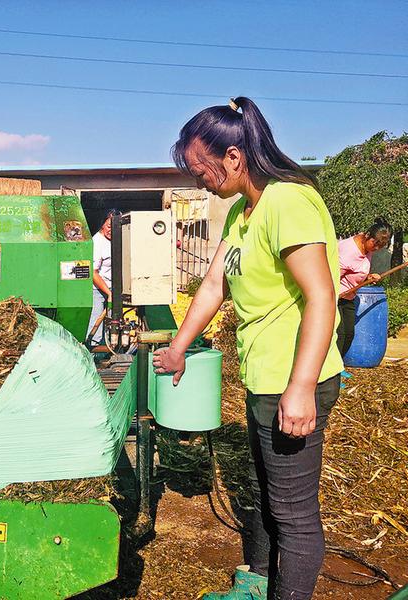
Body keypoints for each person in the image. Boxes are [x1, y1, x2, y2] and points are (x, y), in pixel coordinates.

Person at [153, 97, 343, 599]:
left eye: (200, 170)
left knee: (294, 515)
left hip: (295, 380)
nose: (199, 181)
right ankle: (255, 583)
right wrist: (177, 349)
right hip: (263, 378)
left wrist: (301, 388)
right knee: (261, 492)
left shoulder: (288, 202)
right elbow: (214, 284)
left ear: (234, 157)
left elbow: (321, 295)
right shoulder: (243, 211)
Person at [337, 218, 392, 356]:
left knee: (349, 333)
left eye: (380, 246)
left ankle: (338, 366)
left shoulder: (368, 248)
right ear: (367, 235)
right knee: (340, 334)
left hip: (349, 297)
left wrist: (369, 277)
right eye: (375, 244)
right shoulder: (347, 251)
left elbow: (356, 272)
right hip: (335, 297)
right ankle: (331, 372)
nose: (376, 248)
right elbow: (330, 277)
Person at [87, 208, 121, 346]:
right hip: (98, 289)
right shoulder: (97, 242)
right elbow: (93, 272)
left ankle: (111, 349)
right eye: (108, 226)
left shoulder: (115, 240)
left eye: (114, 227)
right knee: (96, 324)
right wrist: (108, 293)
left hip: (112, 289)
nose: (111, 230)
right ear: (102, 224)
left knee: (114, 323)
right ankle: (92, 351)